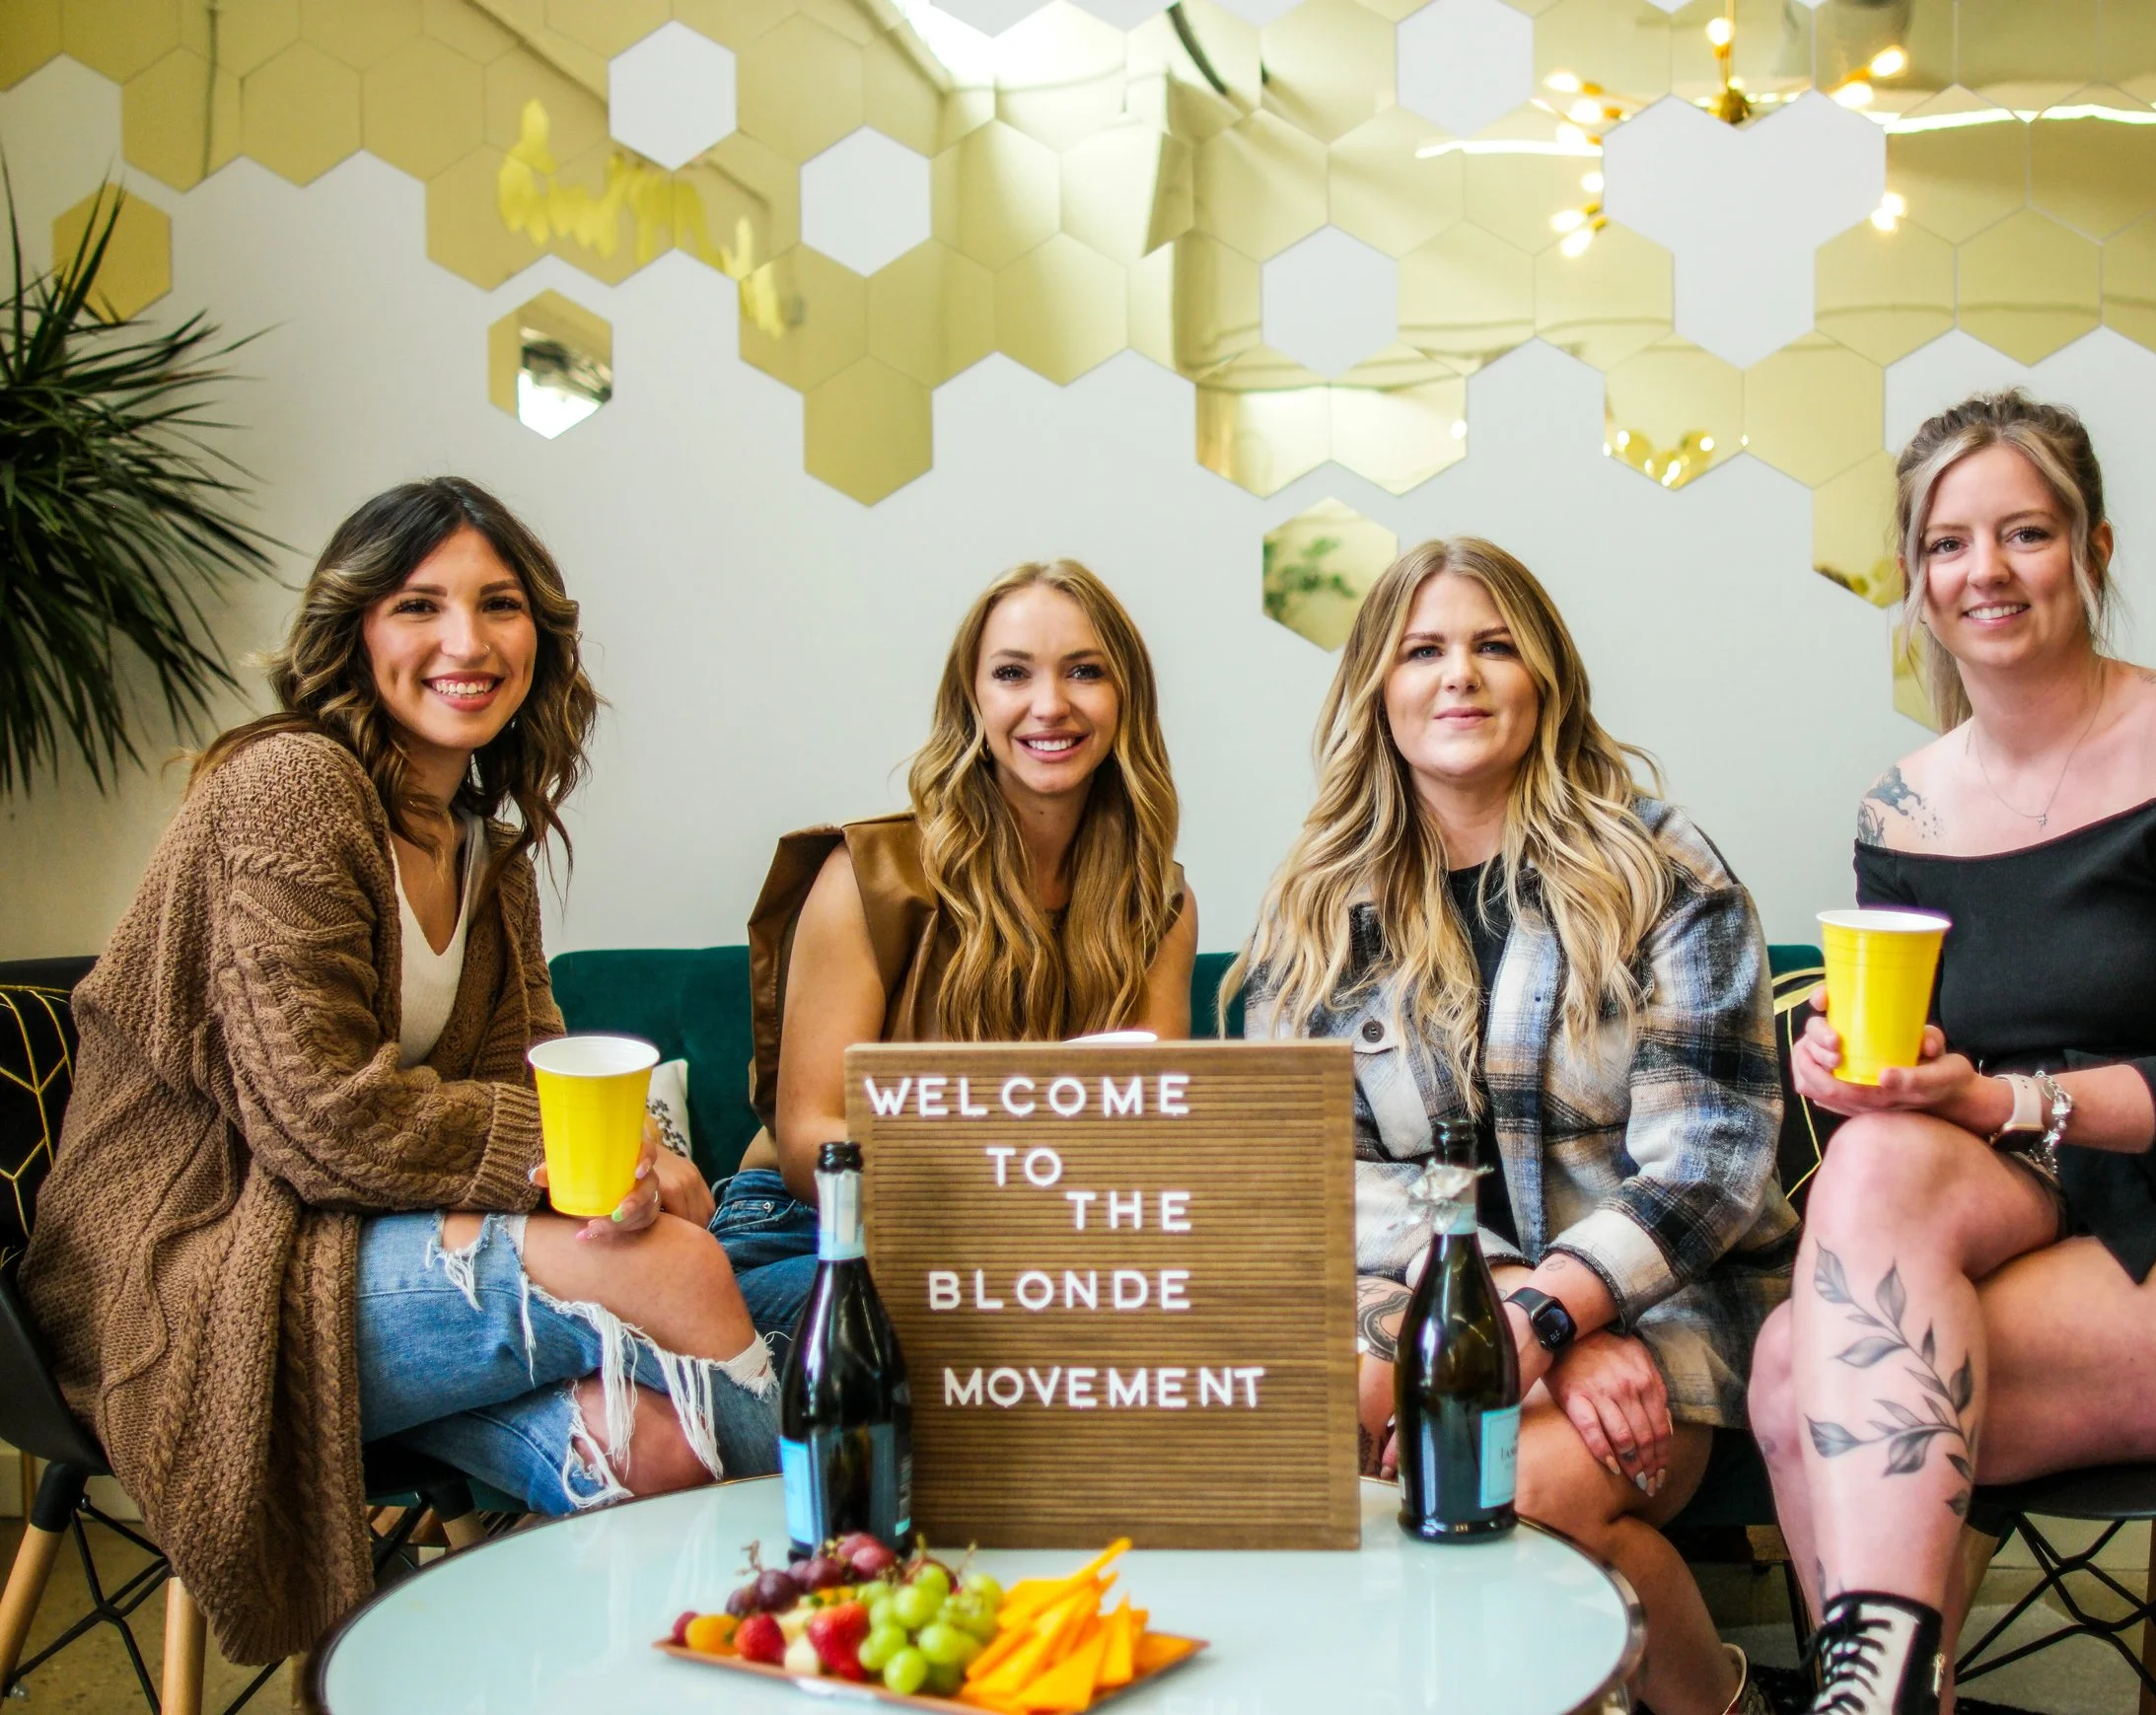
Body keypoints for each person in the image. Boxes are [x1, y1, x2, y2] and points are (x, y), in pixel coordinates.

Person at [22, 479, 776, 1667]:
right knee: (674, 1264)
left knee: (662, 1448)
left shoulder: (493, 852)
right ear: (354, 630)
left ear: (542, 638)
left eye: (500, 604)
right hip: (185, 1269)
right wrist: (578, 1173)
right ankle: (835, 1599)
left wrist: (641, 1160)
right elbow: (323, 1116)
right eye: (419, 604)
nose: (467, 642)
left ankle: (590, 1684)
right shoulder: (292, 784)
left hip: (340, 1243)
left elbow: (531, 1080)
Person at [1747, 392, 2156, 1715]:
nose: (1984, 570)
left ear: (2094, 549)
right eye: (1947, 544)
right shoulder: (1905, 804)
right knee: (1865, 1172)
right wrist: (1876, 1070)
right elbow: (1949, 1057)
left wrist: (1991, 1094)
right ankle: (1885, 1694)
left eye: (2025, 531)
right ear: (1916, 583)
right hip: (2052, 1203)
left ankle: (1867, 1698)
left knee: (1800, 1373)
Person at [1233, 537, 1800, 1715]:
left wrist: (1562, 1306)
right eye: (1424, 649)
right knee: (1271, 1444)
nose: (1462, 675)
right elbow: (1302, 1176)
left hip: (1665, 1302)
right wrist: (1514, 1313)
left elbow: (1710, 1164)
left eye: (1495, 646)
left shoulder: (1659, 867)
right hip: (1426, 1297)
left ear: (1544, 679)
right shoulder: (1318, 911)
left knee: (1516, 1488)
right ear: (1376, 692)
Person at [724, 559, 1197, 1345]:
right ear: (973, 700)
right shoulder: (865, 876)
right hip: (807, 1229)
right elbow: (810, 1140)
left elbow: (1142, 1140)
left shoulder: (1160, 905)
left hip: (1039, 1253)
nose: (1050, 704)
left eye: (1085, 671)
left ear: (1126, 699)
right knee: (993, 1319)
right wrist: (1006, 1183)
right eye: (1013, 673)